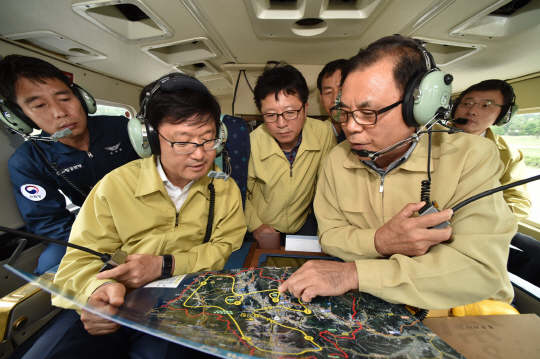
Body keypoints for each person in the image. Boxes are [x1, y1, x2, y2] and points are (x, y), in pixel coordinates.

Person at [279, 35, 517, 310]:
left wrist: (356, 273)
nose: (351, 127)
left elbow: (479, 270)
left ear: (418, 107)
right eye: (344, 112)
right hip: (373, 305)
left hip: (453, 312)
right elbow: (331, 236)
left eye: (368, 113)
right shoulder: (337, 160)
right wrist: (380, 241)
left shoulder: (471, 156)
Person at [25, 74, 246, 359]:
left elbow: (224, 248)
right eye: (183, 142)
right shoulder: (114, 185)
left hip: (181, 302)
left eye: (208, 140)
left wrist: (164, 265)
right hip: (115, 298)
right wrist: (97, 291)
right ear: (150, 138)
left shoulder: (224, 189)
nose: (200, 154)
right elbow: (78, 262)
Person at [0, 54, 138, 275]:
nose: (60, 112)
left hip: (148, 211)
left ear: (82, 98)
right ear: (19, 117)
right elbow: (48, 222)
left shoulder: (123, 128)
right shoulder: (27, 161)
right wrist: (103, 244)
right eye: (39, 105)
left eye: (65, 99)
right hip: (93, 229)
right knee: (50, 266)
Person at [452, 79, 540, 287]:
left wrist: (489, 226)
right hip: (432, 223)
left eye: (486, 105)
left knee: (534, 254)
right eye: (467, 103)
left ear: (502, 115)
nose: (473, 111)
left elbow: (518, 201)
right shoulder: (425, 141)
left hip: (484, 230)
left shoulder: (508, 154)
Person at [245, 63, 335, 244]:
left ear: (306, 108)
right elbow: (240, 194)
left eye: (290, 112)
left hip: (303, 224)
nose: (281, 124)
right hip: (260, 226)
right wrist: (256, 225)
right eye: (270, 115)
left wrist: (326, 231)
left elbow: (325, 186)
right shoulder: (251, 143)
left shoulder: (322, 133)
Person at [317, 59, 348, 144]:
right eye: (328, 92)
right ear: (321, 99)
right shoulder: (316, 135)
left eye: (342, 90)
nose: (335, 99)